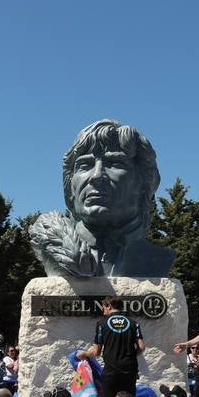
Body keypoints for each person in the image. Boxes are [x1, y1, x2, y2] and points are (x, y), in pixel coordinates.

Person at [28, 118, 174, 278]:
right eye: (85, 165)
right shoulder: (53, 245)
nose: (96, 176)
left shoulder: (158, 259)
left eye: (115, 164)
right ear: (70, 188)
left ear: (145, 183)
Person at [79, 296, 145, 397]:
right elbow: (141, 347)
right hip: (130, 371)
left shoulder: (102, 324)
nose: (103, 311)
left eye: (103, 307)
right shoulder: (134, 323)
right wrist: (132, 355)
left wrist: (84, 354)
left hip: (111, 371)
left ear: (109, 306)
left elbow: (96, 352)